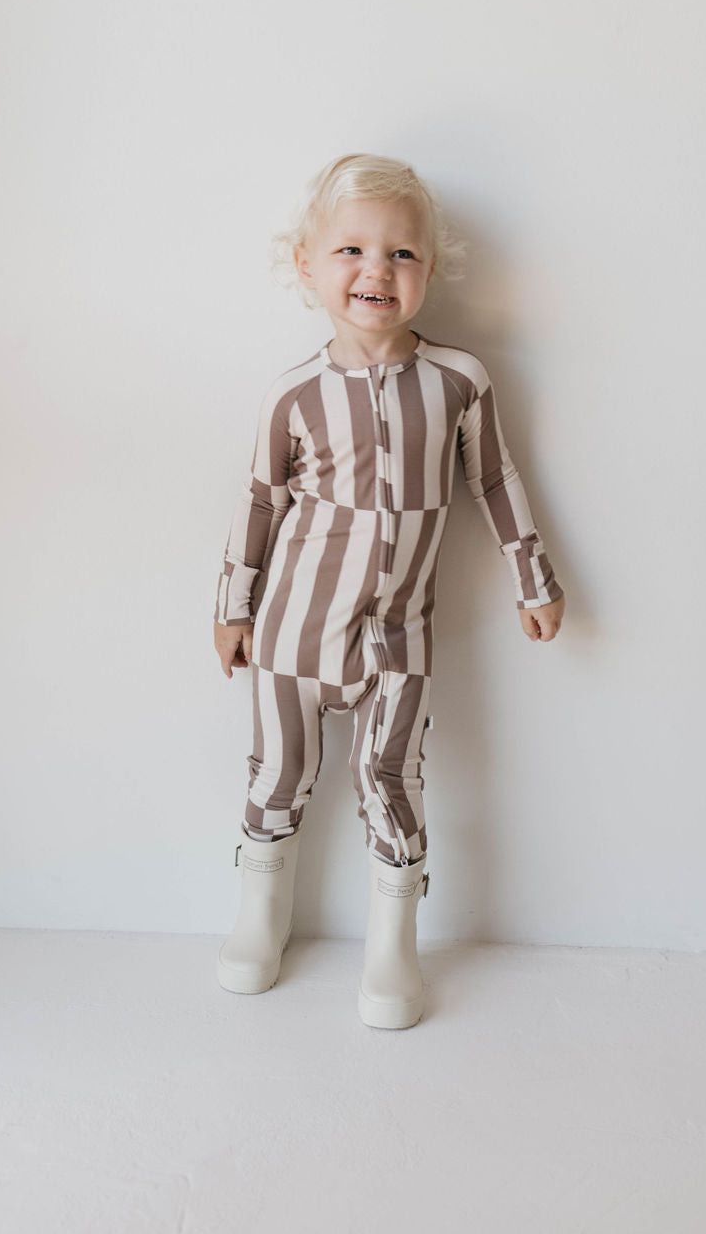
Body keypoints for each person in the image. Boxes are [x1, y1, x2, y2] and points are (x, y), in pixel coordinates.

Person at [213, 152, 565, 1028]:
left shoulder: (459, 381)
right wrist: (232, 605)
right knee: (278, 772)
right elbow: (259, 501)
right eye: (352, 251)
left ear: (430, 269)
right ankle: (261, 917)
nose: (377, 271)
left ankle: (392, 945)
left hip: (399, 638)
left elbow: (496, 481)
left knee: (392, 776)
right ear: (306, 264)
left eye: (402, 254)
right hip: (293, 632)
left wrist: (533, 576)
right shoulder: (292, 395)